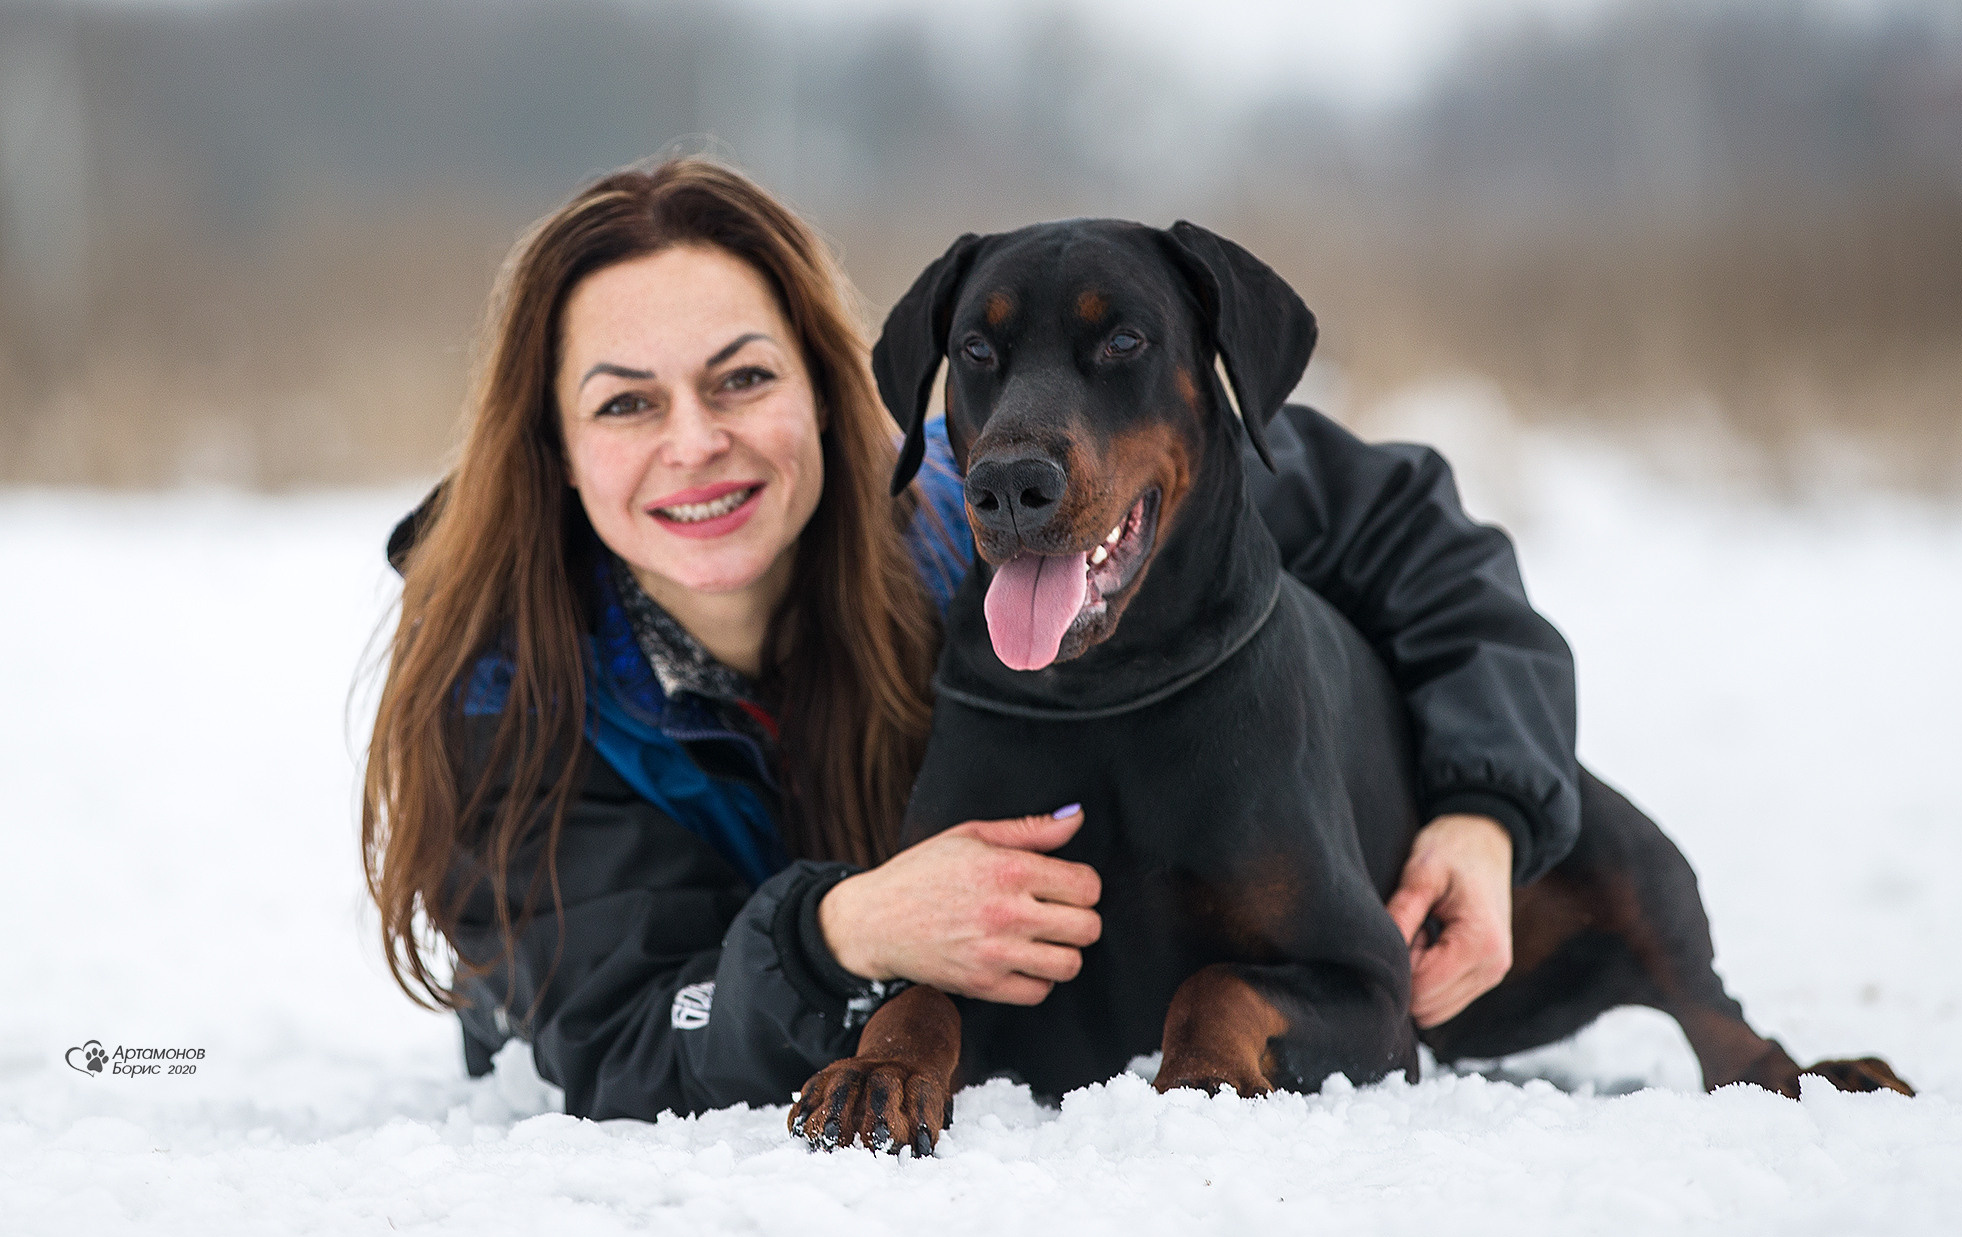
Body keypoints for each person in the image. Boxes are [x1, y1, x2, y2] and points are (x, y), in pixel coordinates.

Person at [361, 157, 1579, 1121]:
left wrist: (1485, 809)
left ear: (830, 388)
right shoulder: (511, 696)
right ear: (552, 444)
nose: (694, 443)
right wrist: (843, 931)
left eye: (740, 380)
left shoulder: (990, 499)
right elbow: (626, 1040)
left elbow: (1412, 534)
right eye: (625, 401)